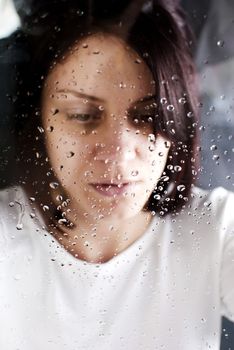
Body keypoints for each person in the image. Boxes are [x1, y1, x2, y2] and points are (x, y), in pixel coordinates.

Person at [0, 1, 234, 349]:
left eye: (148, 117)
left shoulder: (216, 231)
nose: (118, 152)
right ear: (40, 124)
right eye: (82, 116)